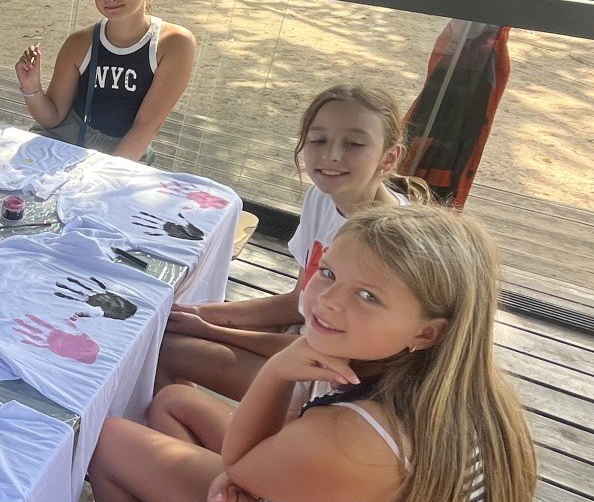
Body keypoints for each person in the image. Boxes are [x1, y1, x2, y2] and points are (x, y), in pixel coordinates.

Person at [90, 205, 542, 502]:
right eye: (328, 273)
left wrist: (271, 385)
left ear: (426, 332)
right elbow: (287, 434)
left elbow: (245, 463)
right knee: (174, 404)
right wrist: (244, 478)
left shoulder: (362, 436)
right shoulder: (440, 377)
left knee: (107, 442)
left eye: (367, 296)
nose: (326, 301)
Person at [154, 84, 419, 425]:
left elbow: (325, 349)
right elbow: (298, 301)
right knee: (168, 329)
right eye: (318, 140)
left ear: (390, 157)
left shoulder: (390, 240)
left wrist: (210, 328)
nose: (332, 155)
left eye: (354, 144)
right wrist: (201, 313)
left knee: (162, 349)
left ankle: (243, 439)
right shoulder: (321, 198)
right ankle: (210, 429)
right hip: (301, 343)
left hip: (330, 383)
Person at [13, 0, 195, 159]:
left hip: (123, 148)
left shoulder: (174, 44)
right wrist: (31, 88)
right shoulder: (78, 43)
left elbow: (146, 126)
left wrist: (106, 173)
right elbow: (53, 118)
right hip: (66, 136)